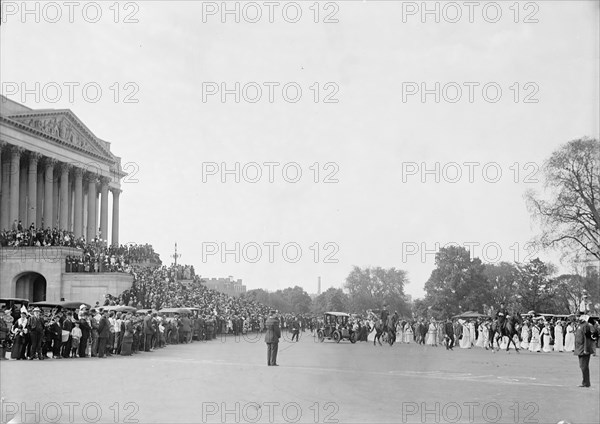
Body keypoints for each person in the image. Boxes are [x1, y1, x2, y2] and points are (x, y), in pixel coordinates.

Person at [574, 314, 597, 388]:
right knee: (582, 366)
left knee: (584, 366)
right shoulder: (580, 325)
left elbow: (587, 338)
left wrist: (585, 349)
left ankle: (586, 382)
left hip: (583, 349)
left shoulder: (586, 326)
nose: (578, 318)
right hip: (579, 348)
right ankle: (585, 382)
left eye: (579, 316)